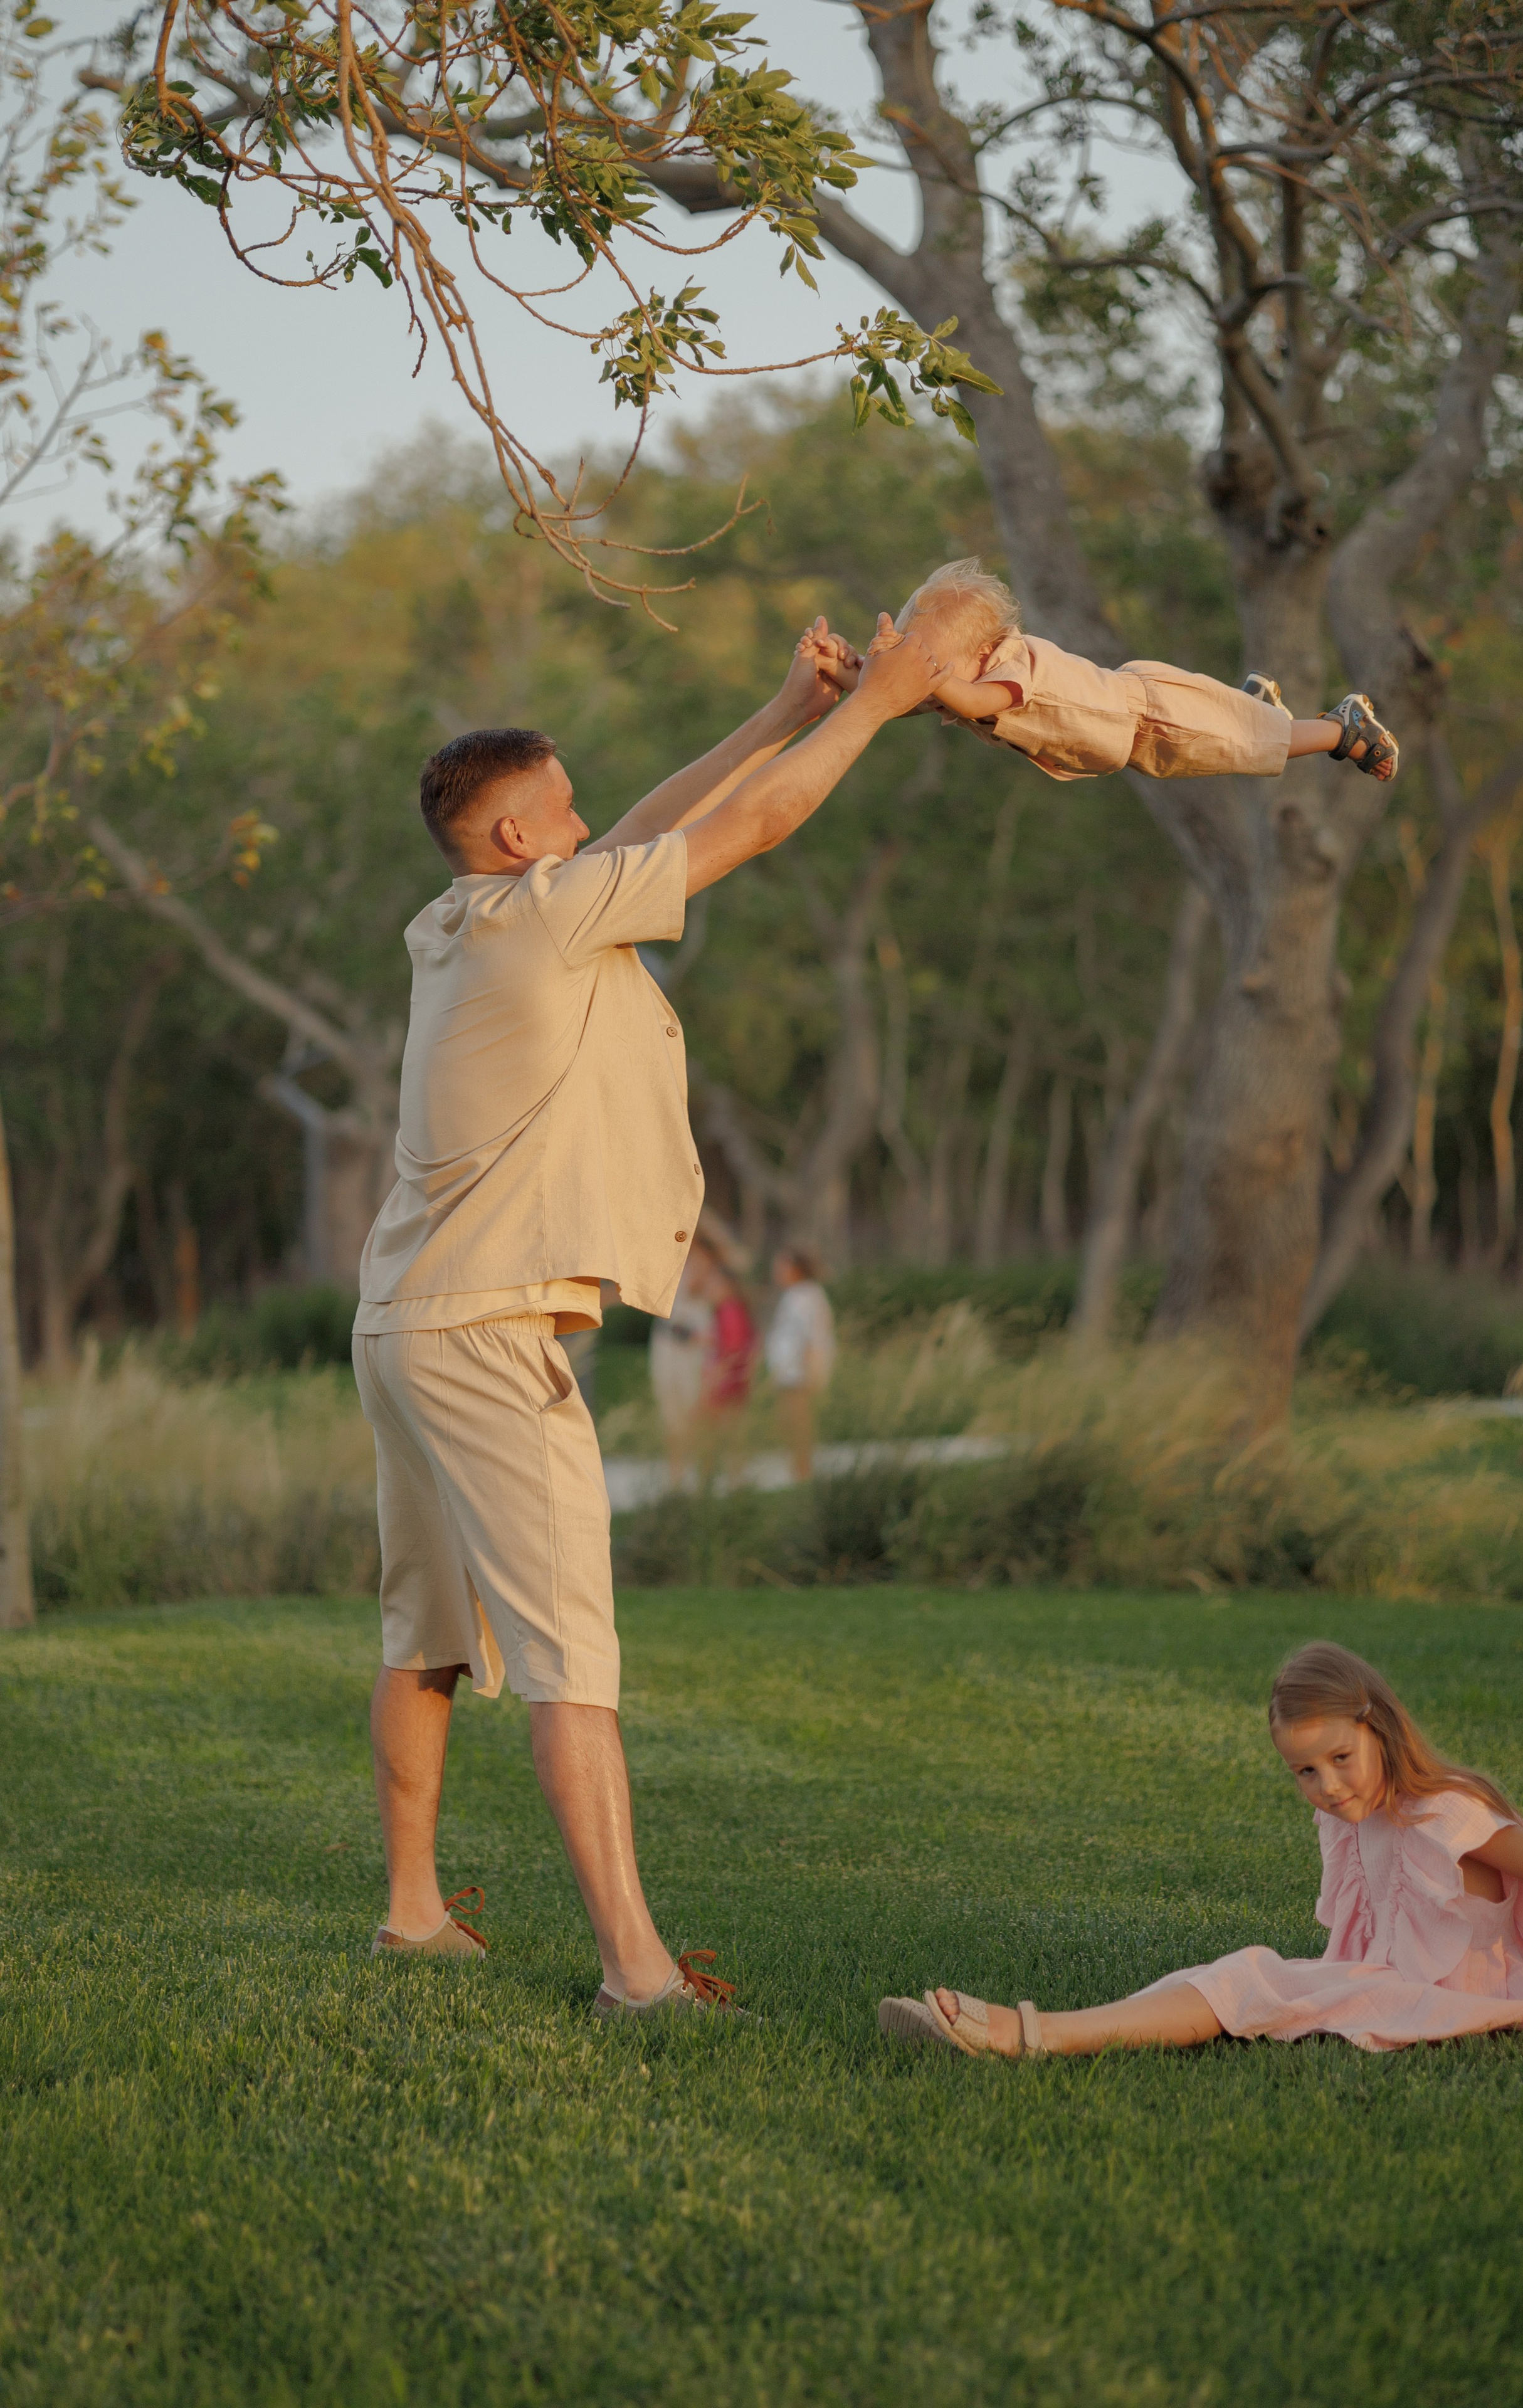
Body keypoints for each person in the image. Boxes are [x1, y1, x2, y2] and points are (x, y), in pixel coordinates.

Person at [350, 606, 947, 2014]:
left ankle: (415, 1912)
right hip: (487, 1334)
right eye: (562, 808)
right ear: (517, 838)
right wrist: (881, 702)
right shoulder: (544, 918)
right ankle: (636, 1971)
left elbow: (644, 832)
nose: (588, 824)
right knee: (572, 1655)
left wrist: (783, 710)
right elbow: (748, 831)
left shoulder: (463, 920)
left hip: (401, 1324)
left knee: (424, 1633)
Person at [880, 1640, 1523, 2058]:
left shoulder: (1445, 1812)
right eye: (1305, 1772)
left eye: (1340, 1758)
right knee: (1220, 1974)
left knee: (1253, 1976)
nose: (1328, 1786)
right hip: (1387, 1982)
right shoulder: (1353, 1820)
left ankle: (1028, 2036)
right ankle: (1053, 2028)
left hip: (1460, 2001)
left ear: (1377, 1727)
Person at [805, 556, 1400, 786]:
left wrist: (928, 675)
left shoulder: (1010, 667)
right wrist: (849, 672)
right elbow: (898, 700)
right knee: (1240, 736)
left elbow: (972, 701)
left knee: (1250, 745)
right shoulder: (956, 682)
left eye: (934, 662)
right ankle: (1252, 709)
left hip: (1149, 719)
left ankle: (1342, 728)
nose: (925, 674)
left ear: (980, 651)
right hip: (1136, 728)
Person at [765, 1244, 836, 1481]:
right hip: (789, 1374)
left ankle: (803, 1471)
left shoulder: (806, 1296)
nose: (777, 1271)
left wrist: (810, 1372)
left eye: (782, 1266)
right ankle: (798, 1469)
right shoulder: (795, 1295)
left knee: (799, 1424)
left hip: (799, 1376)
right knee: (789, 1424)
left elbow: (811, 1338)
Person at [690, 1235, 757, 1484]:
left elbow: (732, 1353)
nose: (710, 1289)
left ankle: (716, 1485)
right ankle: (730, 1483)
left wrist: (711, 1385)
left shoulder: (729, 1311)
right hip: (732, 1386)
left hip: (726, 1389)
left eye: (715, 1284)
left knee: (717, 1440)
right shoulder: (730, 1311)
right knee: (730, 1441)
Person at [648, 1257, 713, 1488]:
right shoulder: (674, 1295)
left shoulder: (705, 1306)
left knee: (697, 1422)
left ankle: (701, 1476)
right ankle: (676, 1476)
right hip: (671, 1368)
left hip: (694, 1372)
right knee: (673, 1422)